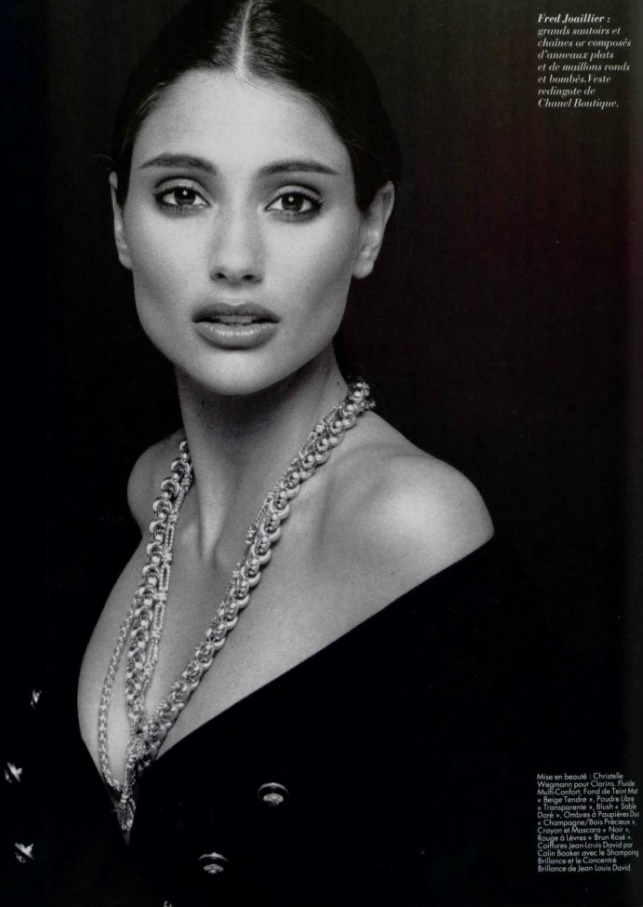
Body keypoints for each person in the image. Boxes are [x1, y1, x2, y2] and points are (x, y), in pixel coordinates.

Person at [4, 1, 583, 905]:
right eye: (182, 194)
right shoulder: (138, 496)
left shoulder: (415, 526)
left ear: (369, 227)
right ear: (119, 220)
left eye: (294, 201)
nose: (235, 258)